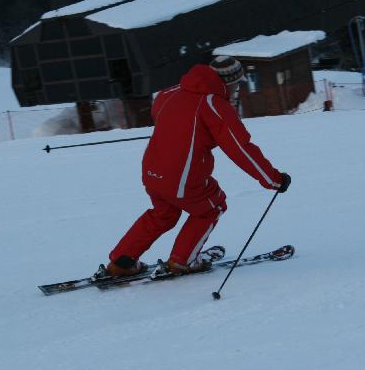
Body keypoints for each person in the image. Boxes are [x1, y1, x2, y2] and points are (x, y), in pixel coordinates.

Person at [103, 55, 291, 277]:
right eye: (236, 85)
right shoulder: (214, 105)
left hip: (153, 171)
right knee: (212, 207)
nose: (236, 90)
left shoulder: (170, 92)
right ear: (228, 82)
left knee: (163, 214)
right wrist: (273, 179)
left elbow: (159, 112)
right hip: (182, 176)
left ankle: (121, 262)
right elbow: (240, 148)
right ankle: (182, 261)